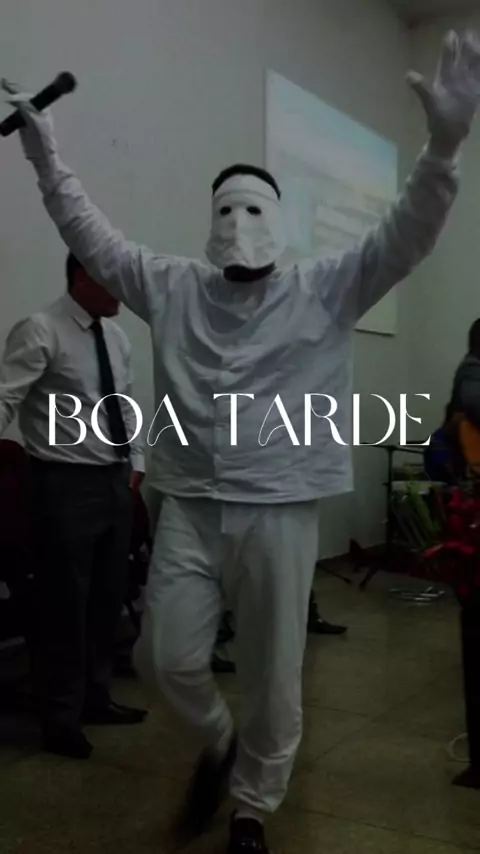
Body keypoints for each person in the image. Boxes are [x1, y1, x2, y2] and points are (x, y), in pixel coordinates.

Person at [3, 29, 480, 852]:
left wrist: (442, 150)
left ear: (279, 221)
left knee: (273, 670)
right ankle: (218, 741)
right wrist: (46, 158)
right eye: (225, 209)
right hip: (189, 504)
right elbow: (90, 233)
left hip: (281, 508)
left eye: (253, 208)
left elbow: (407, 232)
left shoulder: (326, 287)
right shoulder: (173, 286)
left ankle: (254, 805)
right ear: (210, 220)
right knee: (162, 656)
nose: (237, 222)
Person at [0, 253, 147, 759]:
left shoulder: (116, 338)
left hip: (114, 482)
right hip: (62, 485)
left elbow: (124, 404)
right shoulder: (40, 329)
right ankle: (60, 719)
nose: (122, 292)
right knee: (64, 607)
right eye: (113, 281)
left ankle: (97, 698)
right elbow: (6, 398)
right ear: (84, 276)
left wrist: (136, 460)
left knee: (107, 598)